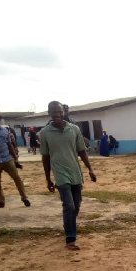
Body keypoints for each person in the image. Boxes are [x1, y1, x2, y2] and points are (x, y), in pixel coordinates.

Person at [40, 101, 96, 251]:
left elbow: (81, 151)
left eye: (59, 112)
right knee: (69, 205)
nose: (57, 115)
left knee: (76, 205)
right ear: (49, 113)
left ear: (63, 112)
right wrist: (48, 178)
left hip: (75, 172)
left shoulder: (74, 129)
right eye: (54, 112)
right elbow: (45, 157)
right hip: (60, 174)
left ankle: (68, 224)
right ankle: (70, 238)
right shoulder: (45, 133)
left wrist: (90, 169)